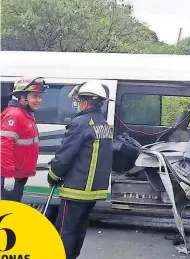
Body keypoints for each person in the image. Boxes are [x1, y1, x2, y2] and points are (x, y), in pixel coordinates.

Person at [47, 81, 114, 259]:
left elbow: (65, 155)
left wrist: (53, 175)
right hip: (93, 192)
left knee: (65, 231)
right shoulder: (103, 124)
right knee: (79, 229)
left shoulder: (80, 123)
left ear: (84, 102)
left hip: (76, 190)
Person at [1, 77, 48, 201]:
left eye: (40, 97)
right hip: (10, 176)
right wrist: (8, 174)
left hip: (19, 174)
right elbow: (4, 147)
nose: (39, 100)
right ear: (22, 97)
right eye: (35, 96)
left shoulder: (25, 114)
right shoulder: (15, 115)